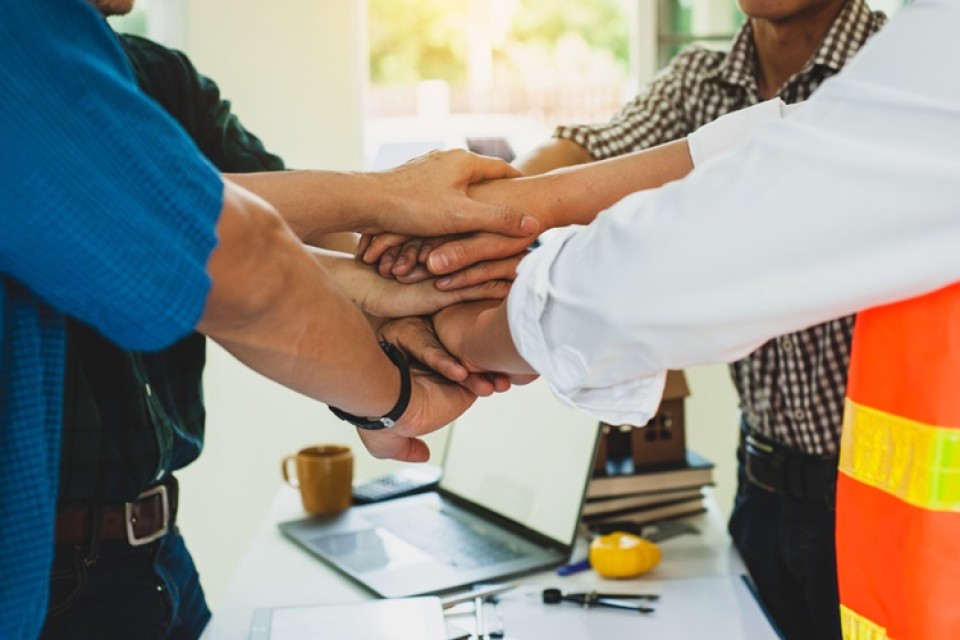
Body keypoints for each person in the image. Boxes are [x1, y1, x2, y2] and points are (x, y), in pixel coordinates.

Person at [0, 2, 538, 638]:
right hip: (39, 572)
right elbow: (240, 256)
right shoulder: (19, 38)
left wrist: (437, 274)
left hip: (154, 549)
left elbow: (285, 237)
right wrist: (396, 397)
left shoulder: (154, 77)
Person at [425, 0, 960, 636]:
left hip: (880, 497)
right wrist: (474, 212)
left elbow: (631, 283)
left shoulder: (897, 68)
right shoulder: (700, 82)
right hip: (760, 485)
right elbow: (590, 151)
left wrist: (477, 313)